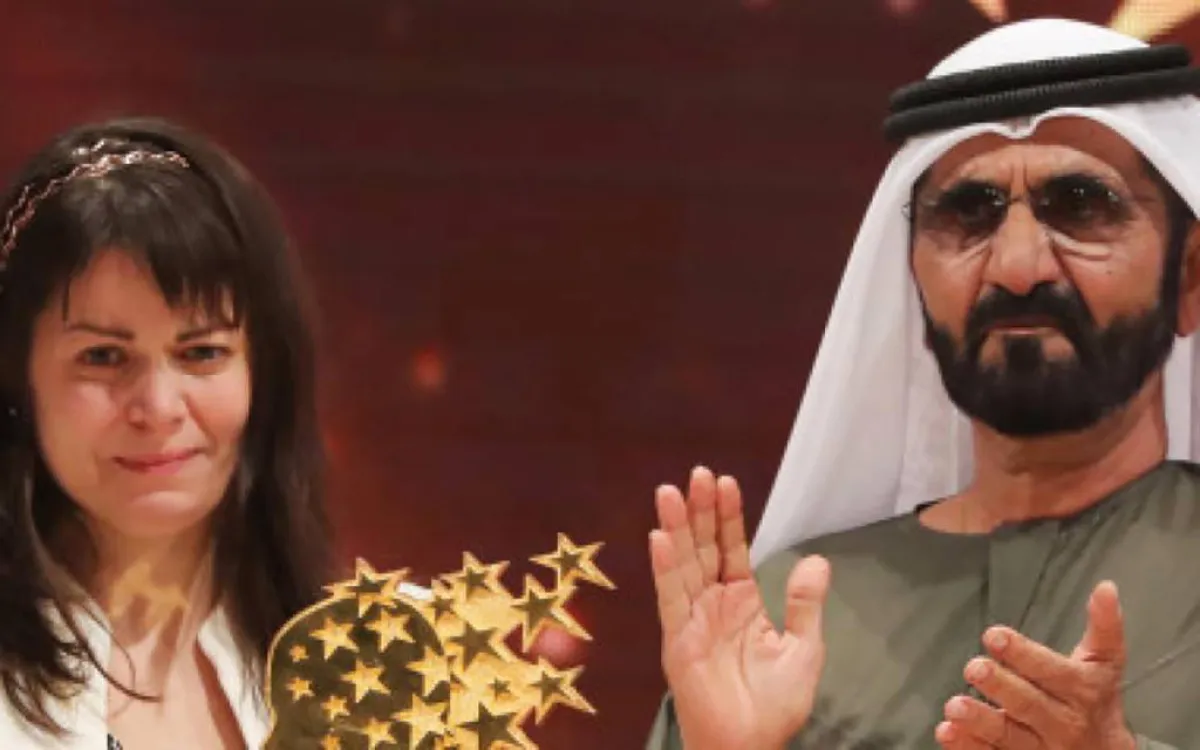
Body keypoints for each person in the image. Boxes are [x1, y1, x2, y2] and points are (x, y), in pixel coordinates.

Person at [647, 18, 1200, 750]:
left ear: (1190, 275)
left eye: (1080, 207)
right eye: (969, 214)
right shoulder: (789, 614)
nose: (1018, 266)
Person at [0, 117, 336, 749]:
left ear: (263, 374)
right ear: (16, 380)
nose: (157, 408)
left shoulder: (394, 662)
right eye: (103, 357)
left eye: (202, 353)